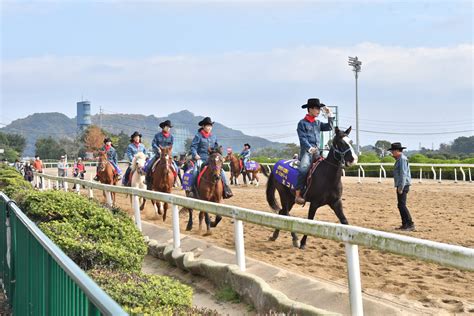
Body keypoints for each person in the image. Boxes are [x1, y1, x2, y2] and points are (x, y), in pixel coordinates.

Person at [295, 98, 334, 205]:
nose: (318, 111)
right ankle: (298, 195)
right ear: (310, 109)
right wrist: (309, 148)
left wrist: (330, 115)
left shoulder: (318, 123)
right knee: (303, 169)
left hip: (317, 152)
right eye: (317, 109)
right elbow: (302, 139)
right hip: (307, 152)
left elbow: (330, 127)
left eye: (319, 109)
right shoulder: (301, 123)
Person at [190, 117, 233, 198]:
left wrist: (221, 156)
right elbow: (193, 147)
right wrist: (195, 154)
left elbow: (217, 148)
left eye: (210, 126)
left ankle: (226, 189)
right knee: (195, 171)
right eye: (208, 126)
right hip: (201, 158)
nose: (209, 128)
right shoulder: (198, 136)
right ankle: (192, 190)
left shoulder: (214, 136)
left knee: (222, 172)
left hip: (212, 159)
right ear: (203, 126)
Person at [388, 142, 415, 231]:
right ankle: (405, 224)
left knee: (402, 205)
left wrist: (401, 187)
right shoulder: (400, 159)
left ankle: (410, 224)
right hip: (401, 184)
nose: (392, 153)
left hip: (403, 185)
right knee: (400, 205)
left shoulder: (402, 159)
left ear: (396, 151)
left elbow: (403, 174)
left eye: (392, 151)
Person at [146, 120, 177, 184]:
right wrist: (158, 149)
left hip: (168, 156)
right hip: (158, 155)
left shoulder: (171, 137)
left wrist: (168, 151)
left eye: (169, 127)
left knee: (176, 168)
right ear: (163, 127)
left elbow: (171, 146)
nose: (169, 128)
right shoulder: (157, 135)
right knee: (148, 166)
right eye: (167, 127)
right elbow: (153, 144)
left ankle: (174, 181)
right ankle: (147, 180)